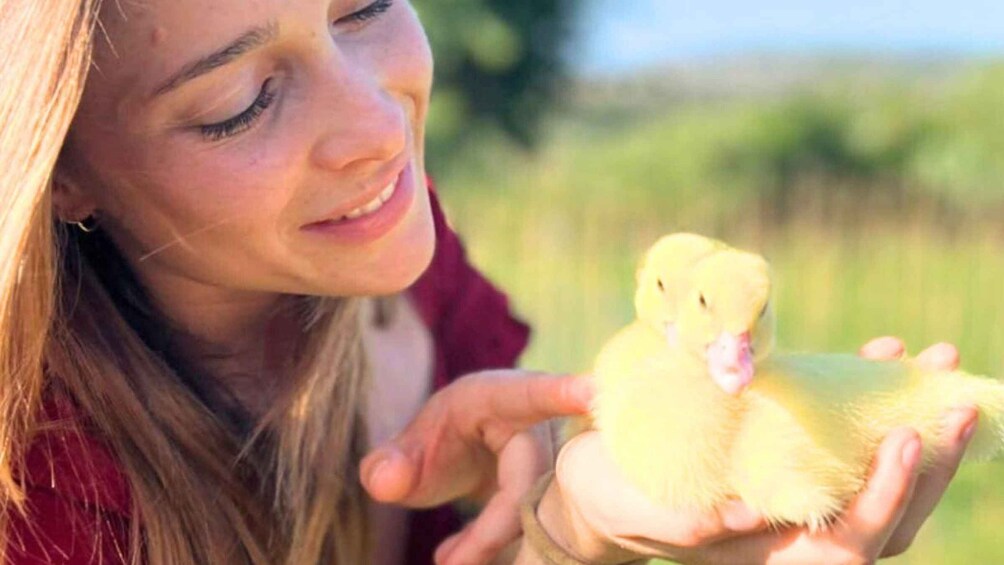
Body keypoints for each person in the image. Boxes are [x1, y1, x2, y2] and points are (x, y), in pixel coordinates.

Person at [0, 1, 978, 564]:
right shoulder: (33, 500)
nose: (381, 130)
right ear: (62, 170)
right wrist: (561, 542)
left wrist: (560, 511)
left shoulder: (415, 283)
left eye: (365, 7)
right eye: (240, 102)